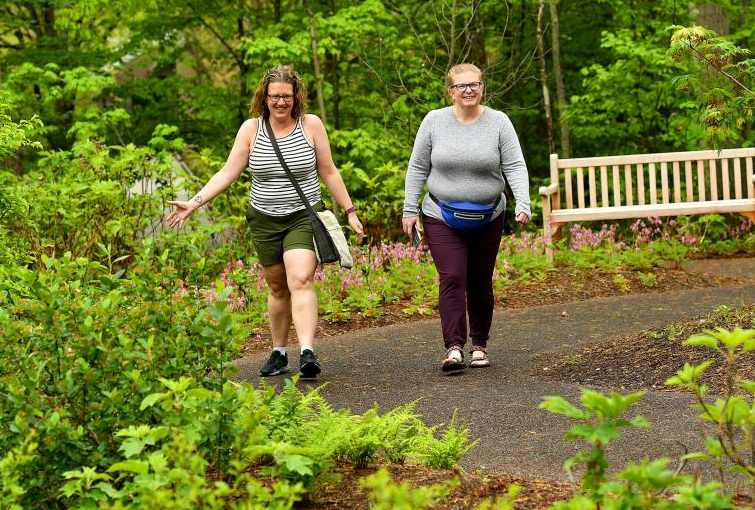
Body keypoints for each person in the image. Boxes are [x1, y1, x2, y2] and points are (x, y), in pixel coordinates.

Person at [166, 65, 363, 380]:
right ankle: (279, 352)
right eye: (275, 97)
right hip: (264, 219)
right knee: (276, 286)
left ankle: (308, 351)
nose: (281, 102)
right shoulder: (251, 129)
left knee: (300, 278)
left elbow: (329, 171)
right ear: (265, 97)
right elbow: (228, 172)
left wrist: (350, 210)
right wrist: (193, 203)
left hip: (303, 215)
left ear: (296, 97)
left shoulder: (311, 125)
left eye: (286, 96)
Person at [402, 63, 530, 373]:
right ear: (450, 92)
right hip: (441, 214)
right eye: (461, 86)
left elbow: (514, 165)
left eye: (474, 84)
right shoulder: (434, 121)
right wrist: (409, 208)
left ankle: (480, 346)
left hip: (489, 215)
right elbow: (418, 167)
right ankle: (454, 347)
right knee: (453, 277)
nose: (468, 90)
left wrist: (522, 202)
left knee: (480, 281)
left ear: (483, 88)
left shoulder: (499, 122)